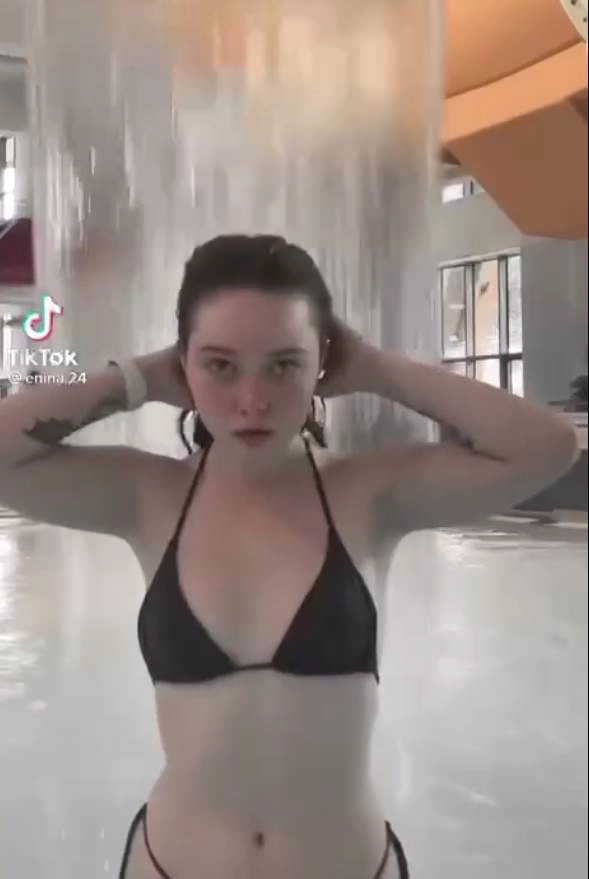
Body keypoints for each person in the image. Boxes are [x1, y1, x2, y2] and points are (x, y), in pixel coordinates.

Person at [0, 234, 579, 879]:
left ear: (322, 362)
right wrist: (132, 380)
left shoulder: (368, 495)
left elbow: (548, 447)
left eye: (283, 365)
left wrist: (374, 368)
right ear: (182, 366)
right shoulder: (148, 498)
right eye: (221, 366)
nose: (252, 399)